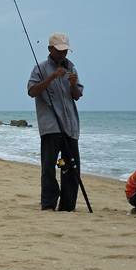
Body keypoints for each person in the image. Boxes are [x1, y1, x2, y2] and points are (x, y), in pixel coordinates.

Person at [28, 32, 84, 212]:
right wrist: (51, 77)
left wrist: (73, 84)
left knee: (71, 167)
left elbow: (76, 96)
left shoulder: (72, 69)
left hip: (70, 126)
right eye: (59, 51)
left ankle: (68, 205)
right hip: (50, 125)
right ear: (50, 49)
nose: (62, 55)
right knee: (49, 166)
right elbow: (32, 91)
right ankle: (49, 204)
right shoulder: (41, 68)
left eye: (65, 51)